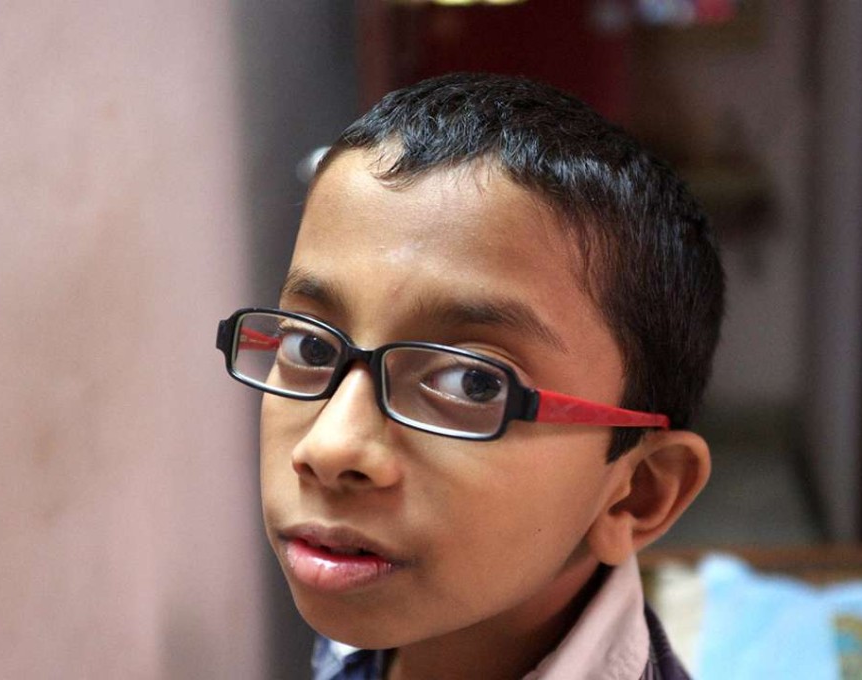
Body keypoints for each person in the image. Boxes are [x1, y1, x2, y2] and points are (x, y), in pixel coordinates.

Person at [217, 72, 725, 679]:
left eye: (471, 383)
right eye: (308, 345)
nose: (328, 448)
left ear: (637, 493)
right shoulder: (378, 619)